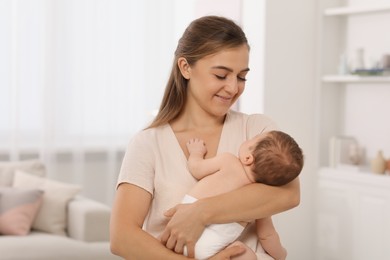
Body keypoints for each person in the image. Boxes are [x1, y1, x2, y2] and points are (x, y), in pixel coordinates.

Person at [110, 15, 300, 259]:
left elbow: (289, 194)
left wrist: (200, 212)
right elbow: (122, 236)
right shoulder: (149, 143)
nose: (233, 88)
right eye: (221, 75)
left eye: (242, 77)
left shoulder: (257, 130)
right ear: (185, 67)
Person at [183, 130, 304, 259]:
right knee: (244, 254)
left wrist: (196, 152)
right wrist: (281, 254)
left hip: (181, 228)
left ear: (248, 158)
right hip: (209, 250)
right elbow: (266, 235)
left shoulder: (228, 161)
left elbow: (196, 169)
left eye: (253, 138)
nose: (248, 139)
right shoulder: (260, 200)